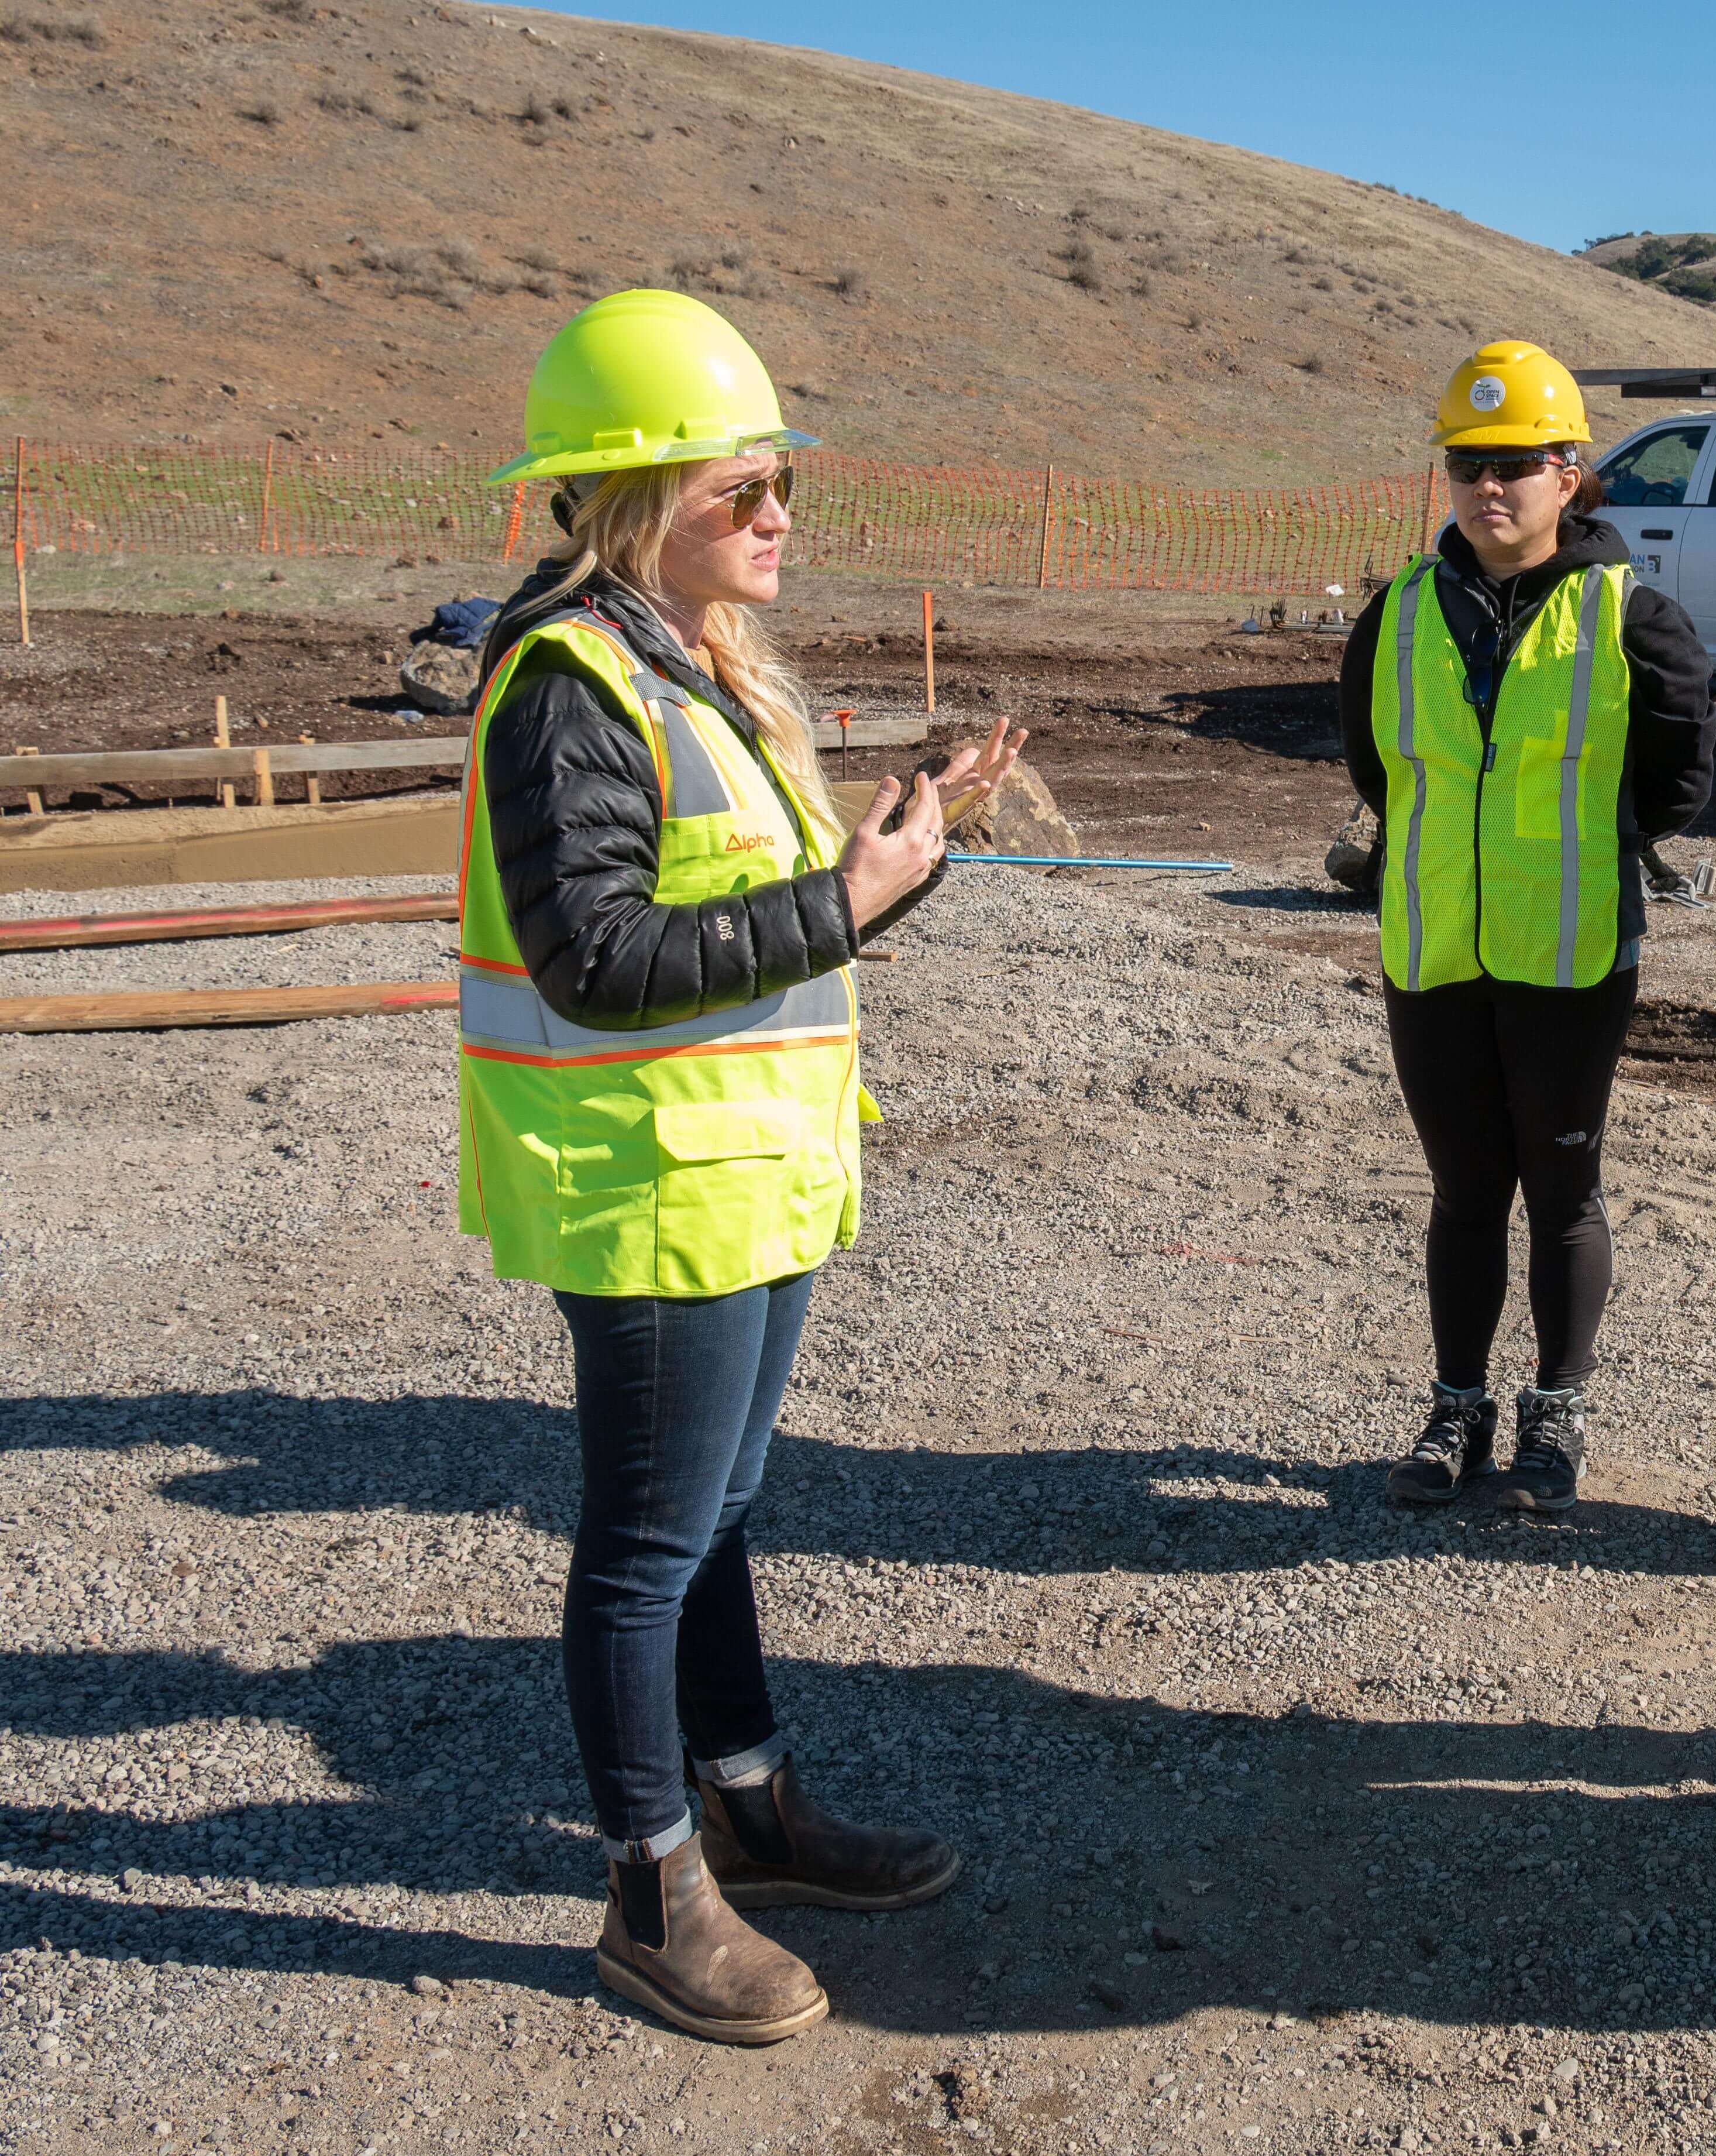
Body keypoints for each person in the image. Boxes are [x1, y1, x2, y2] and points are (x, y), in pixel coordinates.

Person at [465, 289, 1022, 2044]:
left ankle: (753, 1808)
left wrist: (899, 865)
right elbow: (602, 959)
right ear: (637, 503)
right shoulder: (568, 687)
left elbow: (767, 941)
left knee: (712, 1521)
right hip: (649, 1184)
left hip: (747, 1174)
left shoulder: (694, 669)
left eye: (785, 485)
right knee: (642, 1547)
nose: (780, 515)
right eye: (743, 488)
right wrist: (842, 901)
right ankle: (650, 1888)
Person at [1338, 342, 1716, 1512]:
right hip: (1435, 950)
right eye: (1468, 465)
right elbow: (1376, 770)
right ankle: (1458, 1408)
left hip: (1567, 959)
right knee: (1461, 1190)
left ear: (1571, 473)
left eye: (1514, 465)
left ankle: (1557, 1415)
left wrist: (1567, 856)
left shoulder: (1634, 616)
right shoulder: (1396, 613)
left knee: (1561, 1194)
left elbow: (1678, 789)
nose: (1488, 488)